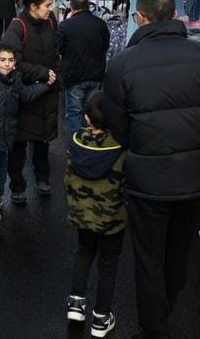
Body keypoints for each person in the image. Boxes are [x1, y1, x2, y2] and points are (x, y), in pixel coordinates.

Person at [103, 0, 200, 339]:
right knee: (178, 253)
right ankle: (164, 314)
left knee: (148, 257)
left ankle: (154, 328)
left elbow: (118, 127)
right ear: (175, 16)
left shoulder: (123, 64)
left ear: (140, 18)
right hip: (193, 178)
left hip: (147, 179)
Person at [65, 92, 126, 338]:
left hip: (82, 214)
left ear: (87, 118)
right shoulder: (121, 147)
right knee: (108, 265)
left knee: (84, 253)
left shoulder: (77, 140)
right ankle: (101, 318)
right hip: (112, 219)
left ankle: (76, 304)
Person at [0, 44, 49, 226]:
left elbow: (27, 94)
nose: (6, 64)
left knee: (1, 172)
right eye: (2, 60)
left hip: (6, 137)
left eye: (10, 60)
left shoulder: (16, 80)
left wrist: (46, 85)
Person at [2, 0, 60, 203]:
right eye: (47, 5)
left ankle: (42, 179)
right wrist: (43, 73)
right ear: (33, 7)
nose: (50, 9)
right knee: (19, 145)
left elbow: (55, 52)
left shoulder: (50, 22)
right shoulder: (17, 26)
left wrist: (55, 75)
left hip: (46, 91)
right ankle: (17, 187)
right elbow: (11, 61)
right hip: (24, 94)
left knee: (43, 140)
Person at [57, 0, 110, 134]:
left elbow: (58, 49)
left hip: (74, 76)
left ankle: (78, 144)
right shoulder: (101, 24)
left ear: (72, 8)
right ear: (88, 6)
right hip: (96, 74)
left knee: (75, 112)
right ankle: (92, 142)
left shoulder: (65, 26)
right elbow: (105, 46)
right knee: (94, 112)